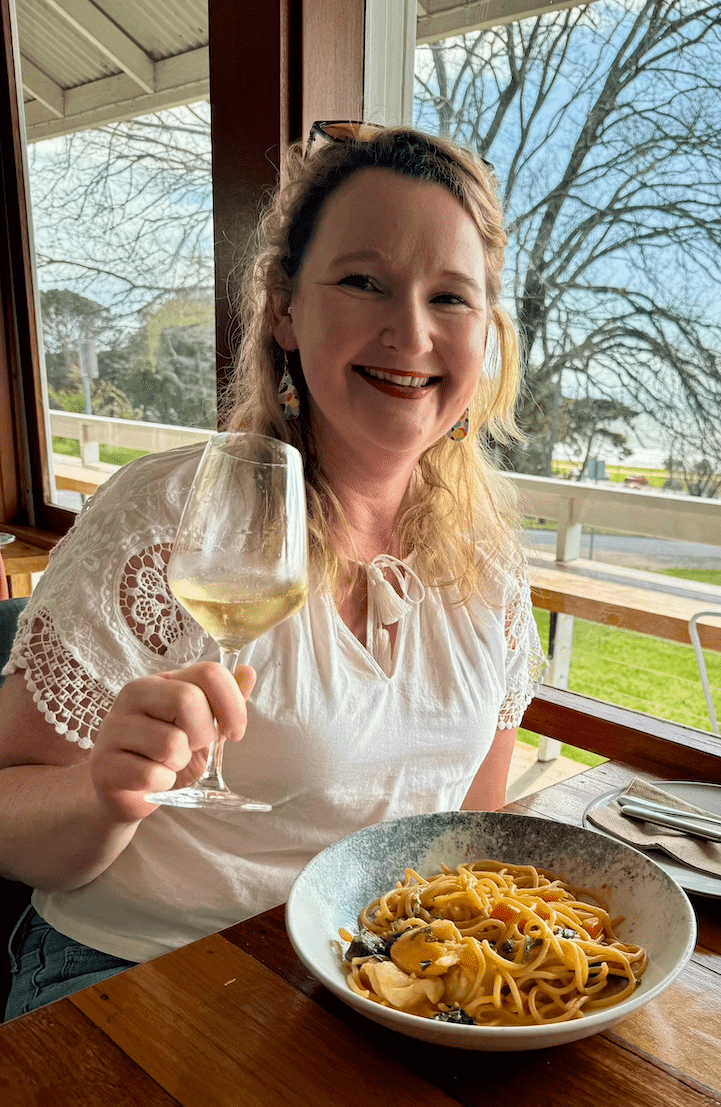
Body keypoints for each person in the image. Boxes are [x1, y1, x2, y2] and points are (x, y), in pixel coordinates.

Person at [0, 124, 545, 1020]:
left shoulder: (489, 564)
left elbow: (464, 839)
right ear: (286, 309)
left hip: (371, 990)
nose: (408, 330)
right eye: (363, 280)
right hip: (135, 974)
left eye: (451, 297)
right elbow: (7, 809)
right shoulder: (169, 518)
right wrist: (108, 793)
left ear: (486, 337)